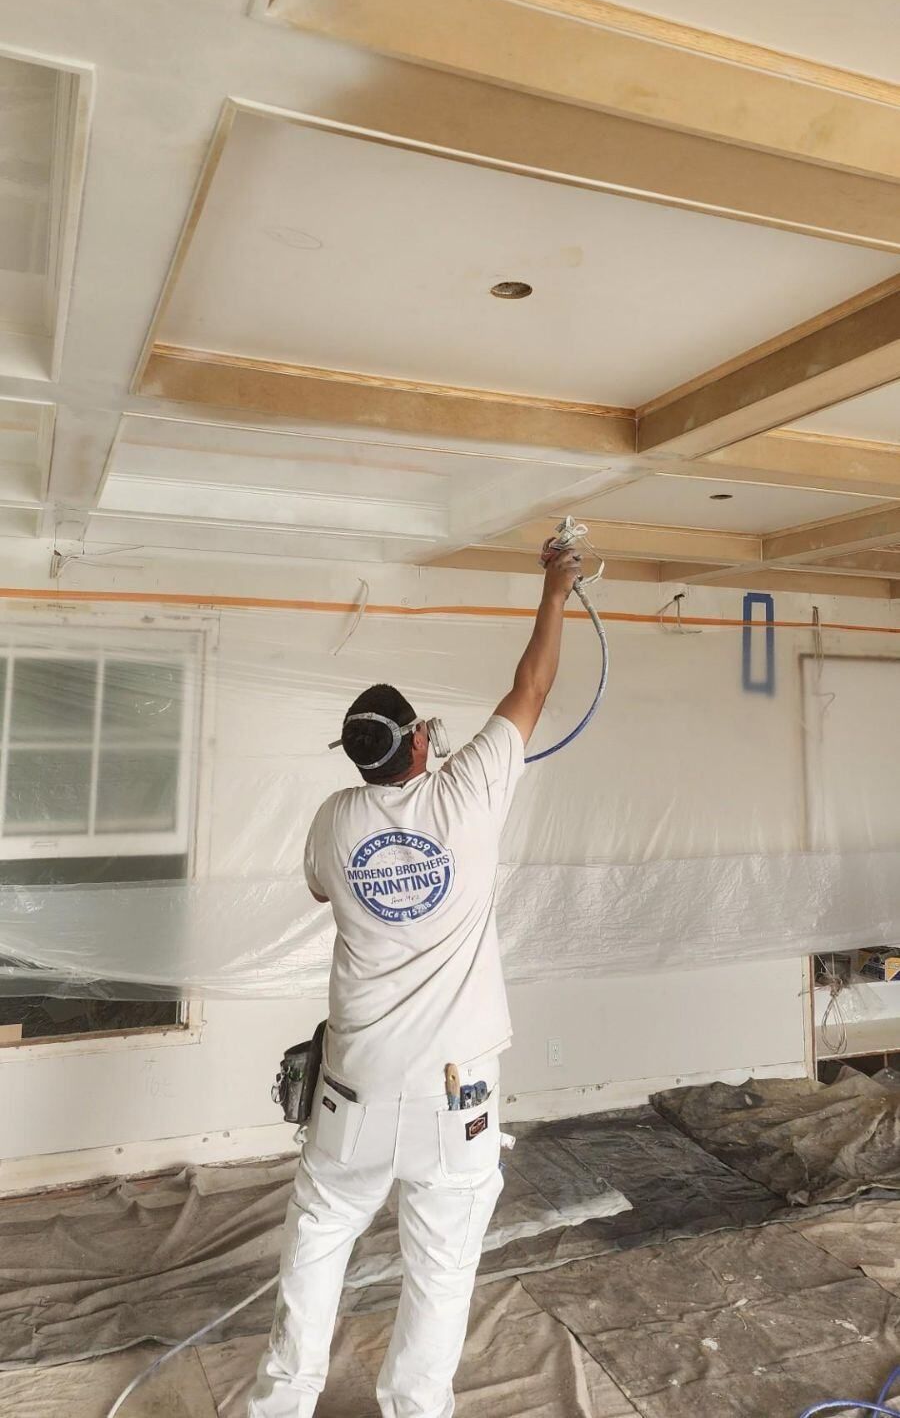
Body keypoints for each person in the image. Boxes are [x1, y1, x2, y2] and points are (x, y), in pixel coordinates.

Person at [248, 546, 581, 1418]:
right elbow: (532, 687)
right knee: (440, 1264)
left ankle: (281, 1403)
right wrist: (556, 585)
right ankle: (414, 1408)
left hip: (354, 1091)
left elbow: (321, 885)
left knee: (319, 1238)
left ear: (358, 758)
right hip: (453, 1095)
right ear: (422, 742)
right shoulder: (466, 793)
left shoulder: (335, 818)